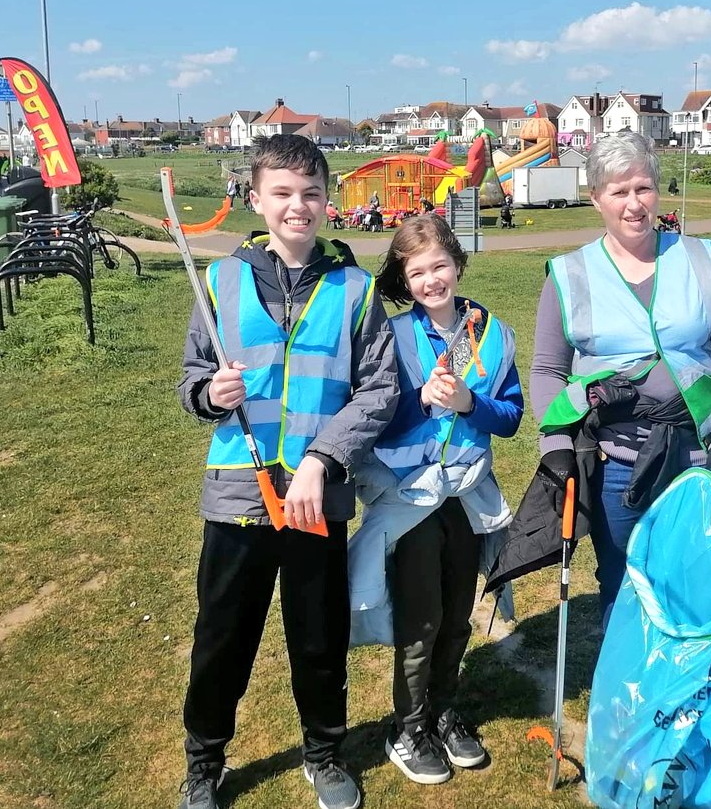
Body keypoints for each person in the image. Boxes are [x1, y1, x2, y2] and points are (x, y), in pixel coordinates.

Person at [176, 134, 399, 809]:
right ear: (257, 199)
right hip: (238, 492)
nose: (297, 206)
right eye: (282, 193)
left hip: (315, 497)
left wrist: (322, 460)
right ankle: (205, 762)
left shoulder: (356, 290)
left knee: (318, 634)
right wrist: (212, 394)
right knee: (223, 635)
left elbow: (379, 390)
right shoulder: (221, 279)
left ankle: (324, 752)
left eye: (309, 193)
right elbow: (191, 377)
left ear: (326, 201)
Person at [529, 131, 711, 624]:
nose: (634, 204)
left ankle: (695, 693)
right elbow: (547, 370)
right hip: (620, 465)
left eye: (643, 188)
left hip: (702, 458)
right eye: (619, 192)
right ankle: (632, 695)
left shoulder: (705, 258)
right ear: (596, 199)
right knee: (626, 587)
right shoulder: (568, 274)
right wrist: (556, 452)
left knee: (702, 584)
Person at [350, 214, 524, 785]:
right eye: (417, 271)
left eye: (439, 266)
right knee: (421, 616)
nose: (431, 280)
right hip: (411, 496)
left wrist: (473, 403)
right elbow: (377, 422)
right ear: (404, 278)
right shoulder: (393, 336)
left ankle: (444, 709)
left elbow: (512, 417)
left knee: (457, 612)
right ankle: (408, 725)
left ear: (458, 263)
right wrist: (421, 401)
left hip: (468, 494)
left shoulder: (488, 330)